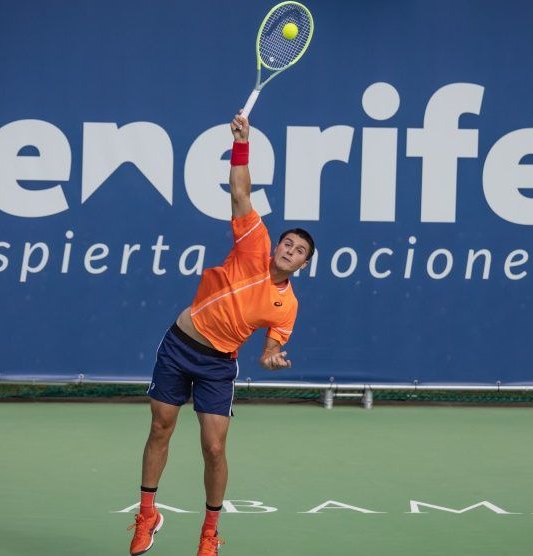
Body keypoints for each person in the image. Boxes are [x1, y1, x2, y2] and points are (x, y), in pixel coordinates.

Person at [128, 112, 315, 556]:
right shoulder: (253, 241)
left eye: (300, 251)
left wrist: (271, 358)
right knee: (160, 428)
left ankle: (209, 532)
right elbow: (240, 189)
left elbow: (272, 347)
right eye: (288, 243)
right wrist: (242, 144)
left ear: (304, 266)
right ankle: (147, 514)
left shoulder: (287, 305)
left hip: (217, 365)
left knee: (213, 448)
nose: (289, 250)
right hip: (179, 344)